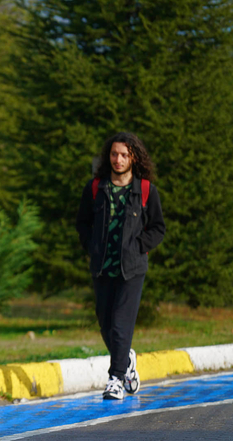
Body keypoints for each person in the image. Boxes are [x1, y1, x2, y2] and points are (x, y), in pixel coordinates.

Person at [76, 132, 165, 400]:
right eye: (114, 154)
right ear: (109, 156)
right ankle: (125, 360)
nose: (119, 159)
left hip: (132, 269)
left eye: (125, 155)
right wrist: (91, 246)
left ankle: (115, 379)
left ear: (134, 157)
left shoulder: (146, 190)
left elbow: (158, 228)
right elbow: (82, 223)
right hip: (103, 267)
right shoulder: (95, 188)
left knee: (120, 325)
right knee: (105, 324)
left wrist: (139, 246)